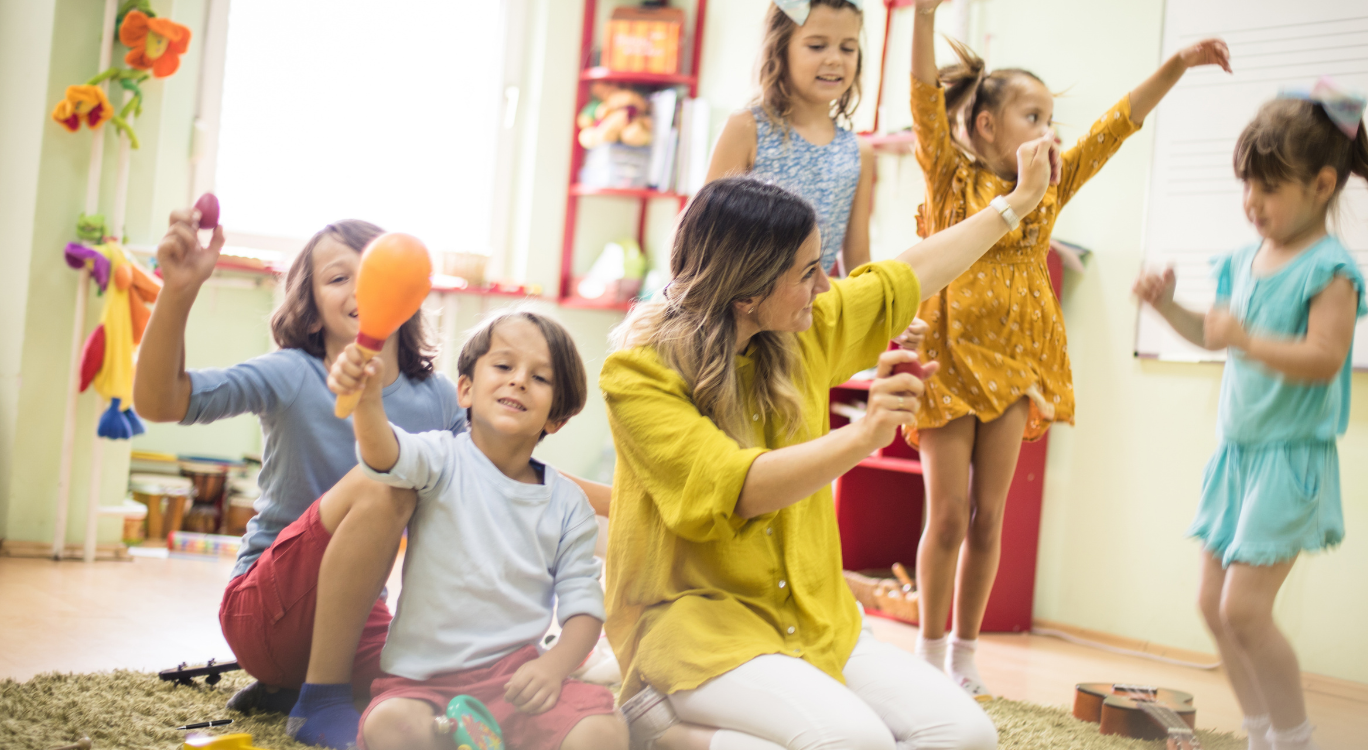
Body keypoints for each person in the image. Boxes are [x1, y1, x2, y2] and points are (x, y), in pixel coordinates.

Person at [602, 151, 1058, 748]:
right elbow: (736, 487)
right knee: (854, 742)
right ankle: (662, 727)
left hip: (817, 619)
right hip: (696, 627)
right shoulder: (637, 375)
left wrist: (1017, 203)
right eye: (808, 272)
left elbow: (910, 273)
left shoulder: (804, 326)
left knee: (965, 734)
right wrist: (864, 435)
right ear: (747, 292)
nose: (825, 285)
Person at [906, 0, 1232, 696]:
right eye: (1034, 118)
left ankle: (965, 653)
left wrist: (1175, 62)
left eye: (1051, 120)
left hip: (1019, 364)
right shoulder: (951, 176)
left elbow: (1119, 125)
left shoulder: (1051, 188)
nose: (1048, 133)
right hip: (948, 361)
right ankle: (927, 653)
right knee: (945, 517)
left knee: (989, 517)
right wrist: (924, 15)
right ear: (987, 125)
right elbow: (923, 100)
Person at [1134, 80, 1368, 750]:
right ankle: (1259, 733)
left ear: (1321, 186)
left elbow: (1322, 356)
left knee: (1245, 610)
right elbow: (1215, 332)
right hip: (1237, 454)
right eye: (1247, 186)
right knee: (1212, 606)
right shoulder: (1243, 261)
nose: (1251, 204)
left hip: (1289, 459)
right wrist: (1168, 308)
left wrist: (1244, 339)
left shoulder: (1331, 270)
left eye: (1268, 188)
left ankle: (1294, 738)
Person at [135, 218, 466, 724]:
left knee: (443, 683)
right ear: (311, 313)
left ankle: (288, 690)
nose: (361, 288)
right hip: (263, 611)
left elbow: (494, 477)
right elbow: (160, 402)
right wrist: (178, 291)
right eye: (338, 278)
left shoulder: (439, 397)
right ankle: (318, 700)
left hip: (355, 621)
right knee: (384, 477)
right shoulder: (292, 373)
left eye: (376, 272)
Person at [328, 309, 626, 750]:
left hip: (516, 685)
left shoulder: (568, 506)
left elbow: (584, 608)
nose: (519, 380)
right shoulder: (439, 458)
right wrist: (368, 399)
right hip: (422, 685)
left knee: (604, 729)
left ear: (556, 418)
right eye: (504, 366)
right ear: (465, 389)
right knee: (390, 725)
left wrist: (554, 667)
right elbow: (383, 454)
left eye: (540, 378)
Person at [705, 0, 872, 275]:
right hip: (737, 307)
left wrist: (885, 310)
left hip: (808, 312)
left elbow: (858, 258)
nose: (834, 59)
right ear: (780, 50)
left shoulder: (858, 152)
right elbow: (702, 232)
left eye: (848, 48)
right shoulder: (747, 129)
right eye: (817, 46)